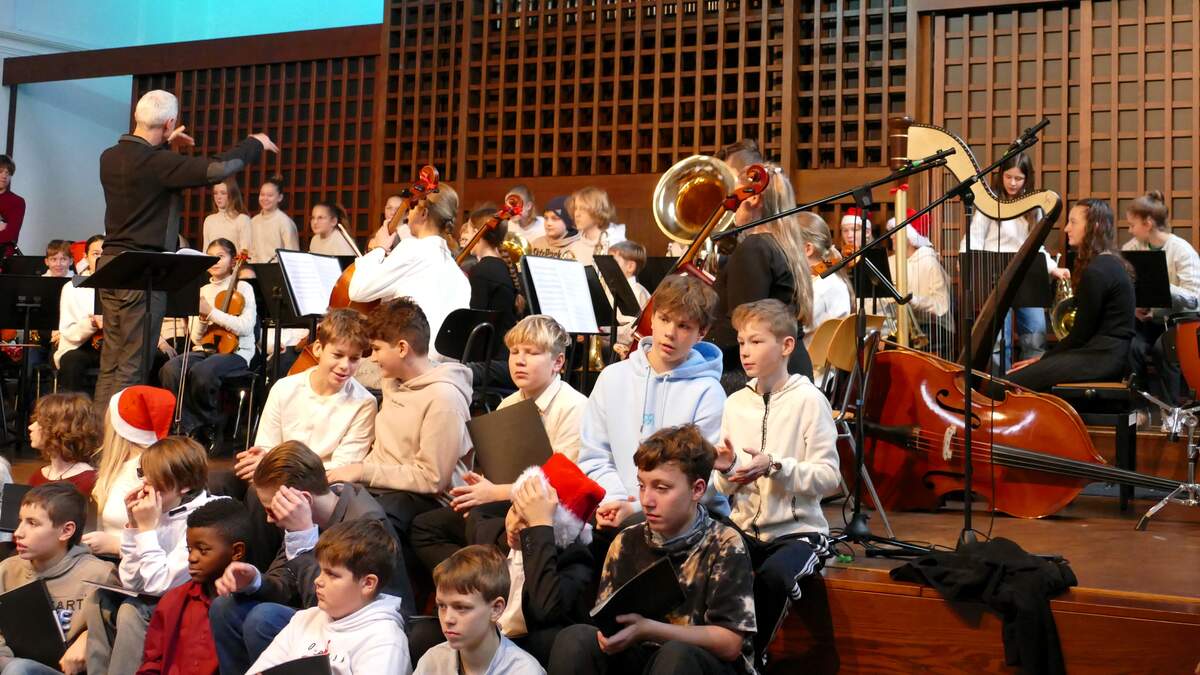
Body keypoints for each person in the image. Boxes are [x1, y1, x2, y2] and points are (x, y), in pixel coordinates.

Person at [96, 89, 275, 410]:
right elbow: (219, 169)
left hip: (111, 267)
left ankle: (100, 435)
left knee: (110, 364)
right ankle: (119, 438)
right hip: (142, 272)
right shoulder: (159, 163)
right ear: (169, 123)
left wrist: (165, 144)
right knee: (132, 366)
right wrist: (254, 143)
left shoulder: (109, 156)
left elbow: (147, 170)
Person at [547, 425, 757, 675]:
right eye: (642, 486)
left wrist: (650, 629)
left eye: (661, 488)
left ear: (697, 489)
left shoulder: (724, 543)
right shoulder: (626, 541)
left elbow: (730, 644)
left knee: (676, 655)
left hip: (699, 664)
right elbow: (609, 622)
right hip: (642, 657)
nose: (646, 500)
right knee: (575, 639)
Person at [209, 441, 414, 675]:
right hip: (318, 614)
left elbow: (327, 603)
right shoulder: (301, 515)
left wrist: (302, 534)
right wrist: (254, 580)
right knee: (225, 607)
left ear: (304, 499)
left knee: (263, 618)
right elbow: (287, 580)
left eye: (271, 509)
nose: (268, 519)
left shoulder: (366, 524)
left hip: (355, 623)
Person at [712, 299, 840, 667]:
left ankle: (751, 659)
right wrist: (726, 470)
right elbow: (723, 489)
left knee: (775, 576)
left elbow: (829, 478)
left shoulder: (809, 400)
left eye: (756, 341)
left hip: (798, 532)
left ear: (786, 346)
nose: (745, 351)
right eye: (741, 342)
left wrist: (775, 466)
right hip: (745, 528)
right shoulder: (735, 403)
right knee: (710, 563)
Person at [410, 315, 587, 572]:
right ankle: (474, 581)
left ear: (558, 362)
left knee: (482, 524)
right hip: (507, 502)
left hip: (548, 514)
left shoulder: (575, 407)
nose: (519, 361)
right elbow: (502, 467)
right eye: (514, 352)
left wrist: (494, 493)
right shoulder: (509, 403)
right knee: (425, 527)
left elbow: (562, 486)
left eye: (532, 353)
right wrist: (481, 489)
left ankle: (487, 582)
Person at [325, 299, 472, 549]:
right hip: (383, 485)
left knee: (363, 527)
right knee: (316, 503)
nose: (373, 358)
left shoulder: (444, 399)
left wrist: (362, 471)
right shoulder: (393, 380)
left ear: (402, 348)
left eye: (377, 349)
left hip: (425, 498)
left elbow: (433, 479)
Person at [84, 437, 224, 675]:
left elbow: (160, 585)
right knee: (99, 600)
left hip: (193, 602)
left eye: (155, 480)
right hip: (157, 595)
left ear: (184, 486)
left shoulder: (206, 516)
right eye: (144, 475)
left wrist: (147, 529)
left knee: (131, 610)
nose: (145, 486)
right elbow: (132, 582)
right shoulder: (159, 509)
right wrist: (132, 527)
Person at [245, 520, 411, 675]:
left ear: (368, 583)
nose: (318, 580)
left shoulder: (385, 641)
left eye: (332, 574)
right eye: (321, 570)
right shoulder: (304, 619)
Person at [1006, 199, 1135, 392]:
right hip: (1108, 357)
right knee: (1016, 379)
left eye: (1073, 222)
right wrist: (1045, 360)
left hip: (1099, 360)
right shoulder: (1111, 263)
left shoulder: (1098, 270)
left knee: (1004, 384)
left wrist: (1043, 359)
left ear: (1094, 226)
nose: (1066, 228)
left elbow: (1079, 336)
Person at [709, 163, 814, 390]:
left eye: (733, 197)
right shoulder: (784, 245)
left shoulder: (754, 247)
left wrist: (698, 342)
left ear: (753, 198)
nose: (730, 205)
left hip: (761, 375)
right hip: (786, 366)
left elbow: (744, 324)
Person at [959, 152, 1065, 369]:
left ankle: (1030, 383)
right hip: (994, 273)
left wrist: (1053, 268)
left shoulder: (1034, 207)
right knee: (998, 340)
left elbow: (1036, 246)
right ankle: (999, 385)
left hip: (1026, 272)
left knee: (1036, 335)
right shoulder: (990, 204)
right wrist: (967, 263)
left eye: (1019, 178)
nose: (1013, 183)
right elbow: (974, 238)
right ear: (1001, 175)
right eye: (1009, 177)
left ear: (1027, 179)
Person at [0, 483, 118, 675]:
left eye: (32, 523)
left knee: (18, 669)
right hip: (12, 664)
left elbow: (112, 636)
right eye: (21, 521)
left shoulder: (99, 575)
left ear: (66, 531)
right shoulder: (7, 570)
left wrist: (89, 637)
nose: (18, 532)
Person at [243, 308, 375, 474]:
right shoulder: (283, 388)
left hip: (324, 483)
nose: (345, 366)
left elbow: (342, 467)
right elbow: (267, 445)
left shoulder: (365, 403)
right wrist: (261, 458)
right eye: (337, 355)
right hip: (276, 476)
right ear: (318, 348)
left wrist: (281, 467)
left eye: (354, 358)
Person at [346, 184, 468, 362]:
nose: (407, 215)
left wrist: (378, 248)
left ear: (423, 213)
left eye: (411, 209)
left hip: (409, 366)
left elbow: (358, 290)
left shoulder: (413, 249)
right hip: (445, 371)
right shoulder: (458, 273)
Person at [135, 499, 250, 675]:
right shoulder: (173, 599)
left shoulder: (248, 609)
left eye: (203, 550)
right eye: (189, 549)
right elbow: (153, 663)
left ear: (237, 552)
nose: (192, 558)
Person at [158, 238, 256, 441]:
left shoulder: (243, 288)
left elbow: (245, 327)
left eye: (221, 256)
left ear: (233, 261)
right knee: (170, 369)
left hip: (236, 352)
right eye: (211, 257)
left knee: (203, 371)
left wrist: (211, 312)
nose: (215, 261)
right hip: (206, 350)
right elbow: (195, 337)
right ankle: (186, 426)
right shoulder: (202, 291)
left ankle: (210, 424)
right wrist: (202, 319)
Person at [415, 546, 544, 675]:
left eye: (461, 607)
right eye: (442, 606)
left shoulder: (525, 671)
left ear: (496, 609)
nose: (447, 619)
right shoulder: (432, 662)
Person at [1123, 191, 1200, 406]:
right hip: (1147, 321)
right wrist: (1135, 308)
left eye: (1132, 225)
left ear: (1147, 223)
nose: (1129, 230)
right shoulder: (1132, 248)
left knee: (1163, 348)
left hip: (1178, 322)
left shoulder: (1181, 250)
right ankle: (1138, 407)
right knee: (1130, 345)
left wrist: (1162, 285)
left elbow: (1195, 300)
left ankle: (1170, 408)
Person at [83, 386, 177, 559]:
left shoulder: (147, 468)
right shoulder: (119, 466)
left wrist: (116, 545)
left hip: (131, 566)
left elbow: (167, 540)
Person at [885, 209, 954, 358]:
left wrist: (914, 300)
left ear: (909, 237)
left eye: (896, 233)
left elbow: (941, 304)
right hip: (897, 326)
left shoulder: (928, 261)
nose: (891, 236)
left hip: (928, 326)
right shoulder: (889, 262)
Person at [55, 236, 106, 393]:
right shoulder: (72, 287)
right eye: (95, 254)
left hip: (113, 346)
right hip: (80, 346)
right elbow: (69, 333)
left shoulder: (122, 287)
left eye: (105, 254)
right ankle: (71, 408)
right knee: (72, 361)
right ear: (86, 257)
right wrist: (90, 323)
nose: (100, 259)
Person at [28, 392, 101, 497]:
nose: (30, 427)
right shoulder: (37, 476)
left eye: (40, 422)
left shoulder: (89, 482)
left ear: (61, 428)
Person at [796, 212, 852, 344]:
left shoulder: (821, 286)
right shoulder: (827, 276)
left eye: (788, 245)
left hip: (809, 355)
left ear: (808, 249)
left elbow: (792, 330)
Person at [608, 240, 652, 348]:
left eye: (613, 262)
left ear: (630, 267)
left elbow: (632, 330)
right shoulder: (612, 288)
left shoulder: (638, 291)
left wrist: (603, 331)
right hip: (610, 341)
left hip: (625, 348)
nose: (607, 266)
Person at [248, 176, 299, 264]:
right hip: (256, 269)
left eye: (270, 195)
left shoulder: (285, 222)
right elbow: (251, 252)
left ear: (280, 197)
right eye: (262, 194)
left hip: (277, 269)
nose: (265, 198)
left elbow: (293, 255)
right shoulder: (253, 221)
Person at [528, 197, 592, 264]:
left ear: (567, 222)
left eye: (555, 218)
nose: (548, 223)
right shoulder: (536, 243)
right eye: (546, 218)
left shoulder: (578, 247)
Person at [202, 178, 251, 252]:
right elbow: (206, 250)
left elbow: (245, 250)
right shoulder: (209, 220)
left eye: (223, 193)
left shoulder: (242, 219)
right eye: (215, 193)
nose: (218, 197)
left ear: (233, 195)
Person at [570, 187, 616, 260]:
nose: (577, 214)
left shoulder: (612, 244)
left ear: (597, 211)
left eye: (583, 209)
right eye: (576, 208)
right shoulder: (574, 247)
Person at [0, 155, 26, 248]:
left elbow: (11, 235)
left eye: (8, 173)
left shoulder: (17, 202)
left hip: (4, 254)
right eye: (0, 171)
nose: (4, 176)